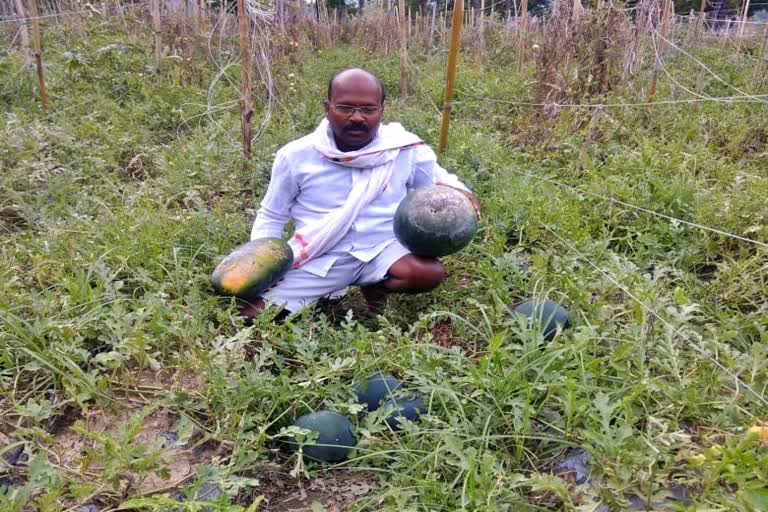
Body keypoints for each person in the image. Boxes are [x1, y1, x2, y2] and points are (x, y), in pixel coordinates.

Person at [241, 67, 480, 319]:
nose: (357, 117)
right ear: (327, 107)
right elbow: (272, 214)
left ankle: (375, 285)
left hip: (383, 249)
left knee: (426, 273)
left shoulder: (403, 149)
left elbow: (438, 180)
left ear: (381, 110)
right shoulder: (296, 155)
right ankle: (326, 292)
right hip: (323, 254)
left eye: (368, 109)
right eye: (345, 108)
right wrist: (258, 265)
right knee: (253, 316)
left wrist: (461, 192)